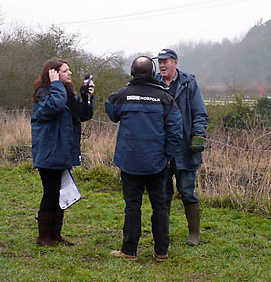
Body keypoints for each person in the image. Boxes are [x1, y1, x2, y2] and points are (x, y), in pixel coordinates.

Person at [105, 56, 182, 261]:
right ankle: (161, 251)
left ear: (132, 72)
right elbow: (176, 131)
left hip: (129, 162)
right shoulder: (165, 98)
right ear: (153, 72)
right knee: (160, 206)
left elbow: (111, 111)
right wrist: (167, 156)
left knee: (132, 206)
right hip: (157, 163)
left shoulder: (122, 96)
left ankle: (129, 250)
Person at [31, 58, 94, 247]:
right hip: (49, 151)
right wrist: (57, 85)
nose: (70, 73)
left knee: (60, 192)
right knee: (50, 192)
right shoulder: (43, 94)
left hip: (64, 151)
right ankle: (43, 237)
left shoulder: (65, 94)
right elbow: (54, 108)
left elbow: (83, 115)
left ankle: (55, 234)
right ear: (53, 73)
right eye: (65, 70)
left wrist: (86, 98)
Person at [153, 48, 209, 246]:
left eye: (166, 61)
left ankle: (194, 233)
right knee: (162, 193)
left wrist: (198, 135)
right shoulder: (153, 83)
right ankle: (162, 234)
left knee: (187, 191)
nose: (162, 65)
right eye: (159, 62)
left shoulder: (188, 83)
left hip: (185, 148)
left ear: (175, 62)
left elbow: (200, 112)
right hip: (161, 149)